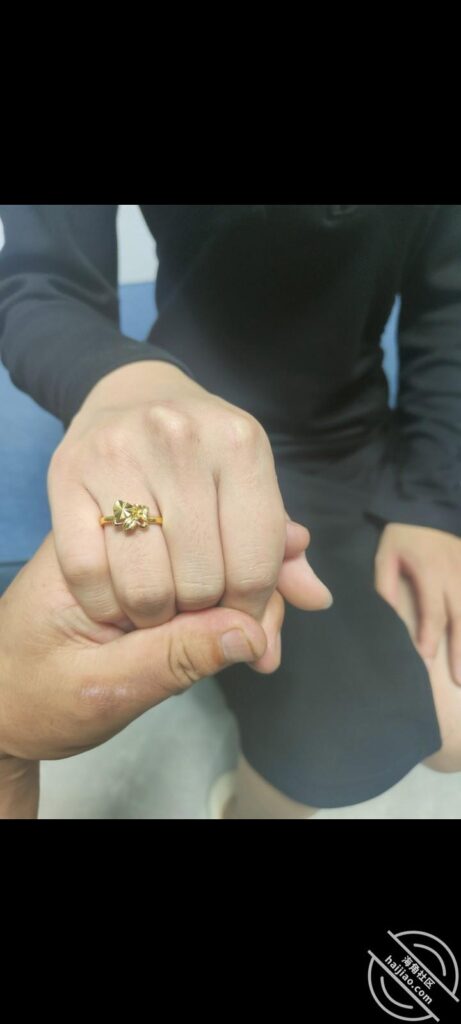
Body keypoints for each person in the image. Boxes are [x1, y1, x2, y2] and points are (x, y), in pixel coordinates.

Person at [0, 204, 460, 820]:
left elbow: (451, 302)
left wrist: (431, 505)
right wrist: (125, 385)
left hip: (353, 434)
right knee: (323, 728)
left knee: (449, 718)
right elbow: (41, 281)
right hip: (184, 428)